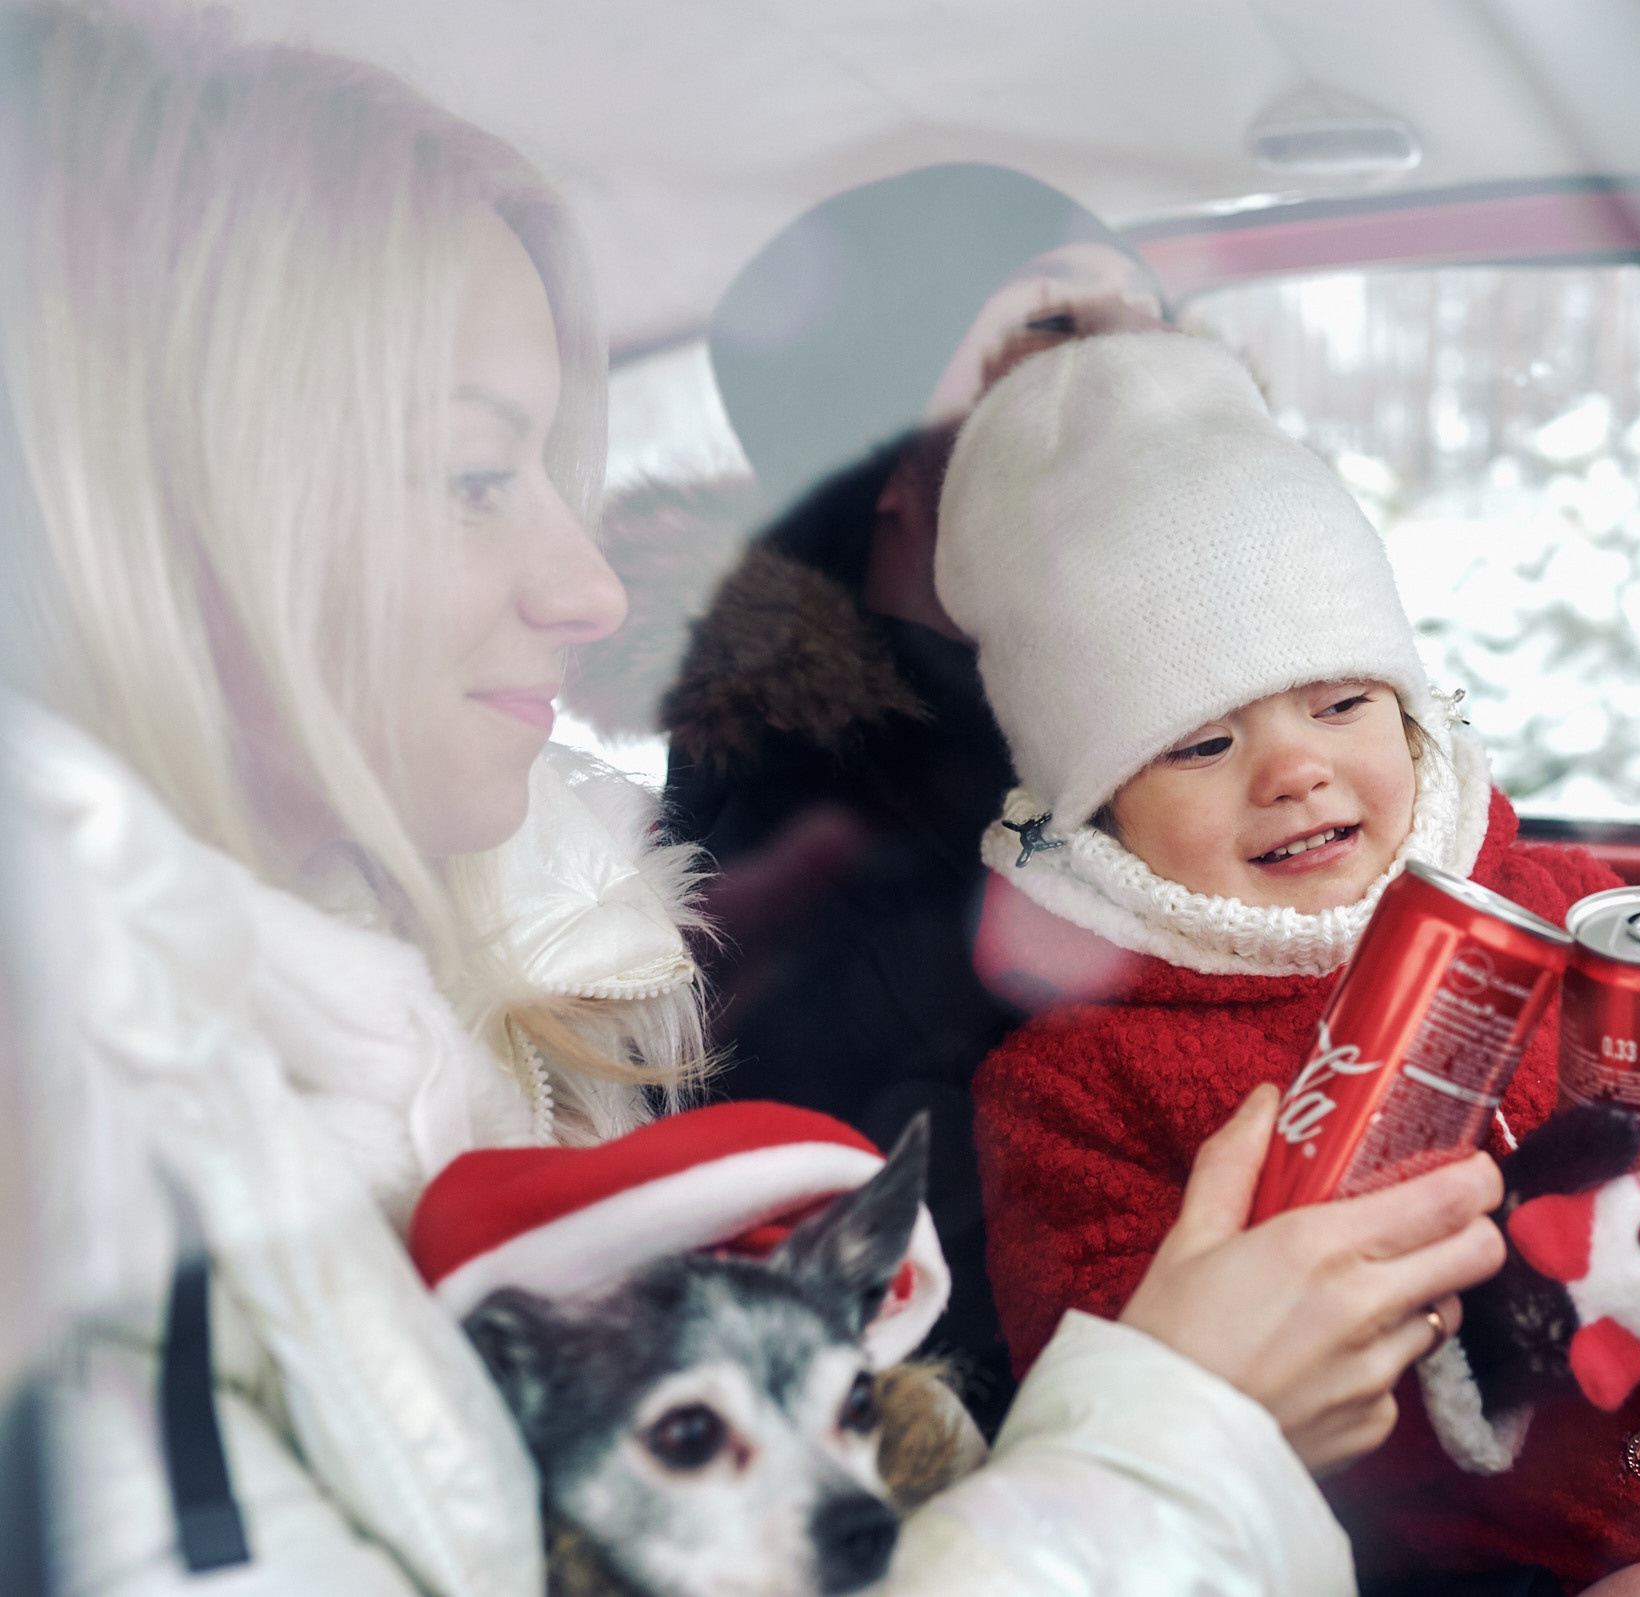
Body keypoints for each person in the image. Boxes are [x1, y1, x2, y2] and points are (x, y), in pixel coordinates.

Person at [0, 10, 1524, 1594]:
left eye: (1168, 344)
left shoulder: (550, 974)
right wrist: (1188, 1430)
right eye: (469, 477)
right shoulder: (99, 1196)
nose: (587, 588)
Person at [939, 328, 1640, 1592]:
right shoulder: (1073, 1087)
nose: (1295, 769)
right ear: (1096, 805)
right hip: (1525, 1573)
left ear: (1407, 709)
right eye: (1200, 744)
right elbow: (1142, 1422)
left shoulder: (1559, 898)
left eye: (1340, 702)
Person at [572, 165, 1169, 1428]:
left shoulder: (1149, 730)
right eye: (1054, 330)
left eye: (1154, 327)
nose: (1149, 382)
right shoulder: (819, 857)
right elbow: (939, 1376)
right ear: (880, 454)